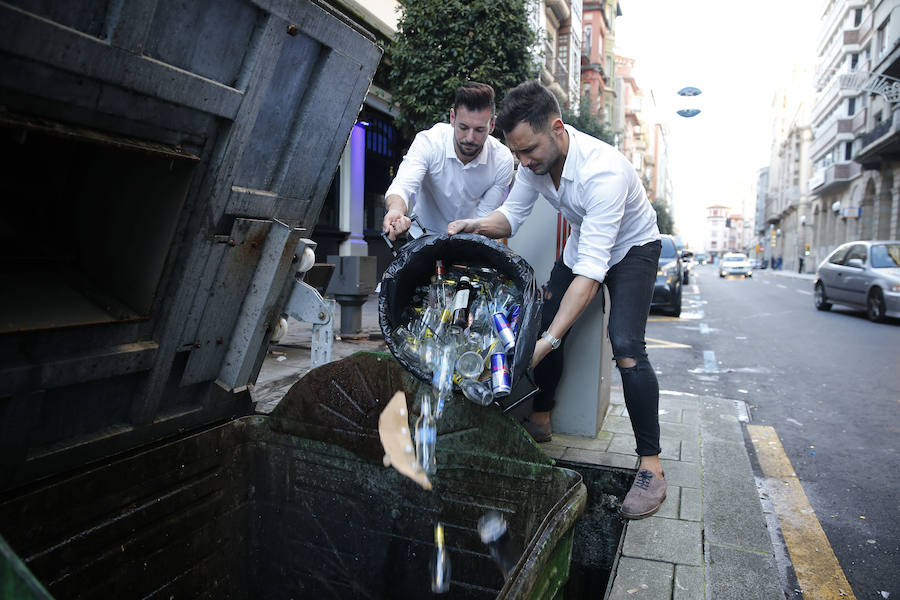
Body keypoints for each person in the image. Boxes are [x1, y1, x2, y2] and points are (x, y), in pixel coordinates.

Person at [447, 80, 666, 519]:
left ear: (557, 128)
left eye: (529, 151)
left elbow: (589, 278)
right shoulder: (531, 166)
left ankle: (651, 466)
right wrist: (472, 226)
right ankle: (541, 419)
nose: (523, 163)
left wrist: (546, 342)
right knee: (538, 323)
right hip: (583, 245)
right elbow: (510, 217)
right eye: (517, 154)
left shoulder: (604, 173)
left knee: (625, 346)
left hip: (633, 249)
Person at [382, 82, 514, 241]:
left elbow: (485, 216)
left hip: (471, 238)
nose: (470, 138)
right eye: (463, 127)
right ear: (452, 118)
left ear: (492, 124)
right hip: (423, 236)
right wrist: (396, 210)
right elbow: (403, 185)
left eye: (479, 130)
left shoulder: (502, 159)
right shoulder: (429, 142)